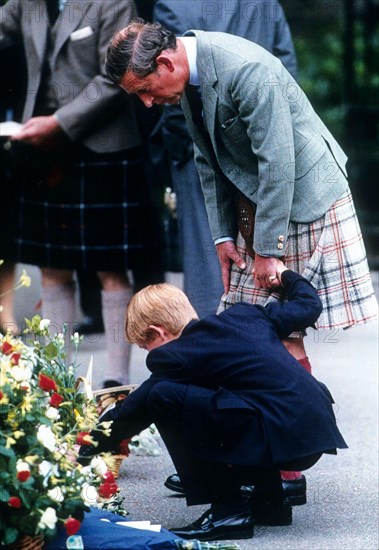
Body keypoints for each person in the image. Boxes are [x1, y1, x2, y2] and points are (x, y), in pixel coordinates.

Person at [104, 18, 378, 388]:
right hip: (265, 196)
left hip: (306, 193)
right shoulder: (189, 78)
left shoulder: (246, 69)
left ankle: (297, 420)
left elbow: (278, 162)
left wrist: (266, 249)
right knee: (262, 324)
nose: (148, 103)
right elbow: (207, 158)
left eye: (145, 90)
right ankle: (284, 419)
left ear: (165, 64)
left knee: (278, 324)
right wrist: (222, 237)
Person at [80, 264, 347, 541]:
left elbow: (138, 405)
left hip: (283, 438)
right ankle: (270, 502)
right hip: (314, 432)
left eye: (145, 346)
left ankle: (227, 512)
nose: (149, 355)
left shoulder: (174, 354)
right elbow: (309, 305)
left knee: (163, 395)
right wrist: (286, 276)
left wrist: (86, 446)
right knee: (246, 398)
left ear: (157, 332)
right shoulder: (247, 314)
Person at [0, 0, 160, 385]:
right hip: (43, 149)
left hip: (102, 145)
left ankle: (115, 384)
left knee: (111, 270)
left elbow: (115, 77)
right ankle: (60, 383)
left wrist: (58, 122)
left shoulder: (114, 2)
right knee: (53, 268)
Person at [152, 0, 297, 320]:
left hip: (198, 149)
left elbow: (166, 85)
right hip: (262, 148)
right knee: (267, 256)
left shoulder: (172, 6)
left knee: (208, 262)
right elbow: (286, 66)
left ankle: (211, 347)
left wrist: (181, 144)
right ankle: (267, 344)